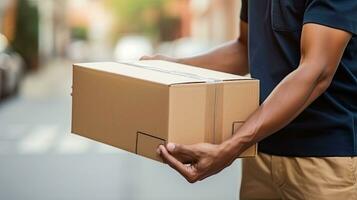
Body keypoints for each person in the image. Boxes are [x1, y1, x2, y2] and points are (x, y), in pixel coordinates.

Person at [141, 0, 357, 199]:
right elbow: (244, 49)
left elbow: (317, 71)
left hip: (324, 158)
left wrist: (232, 146)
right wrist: (173, 66)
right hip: (261, 152)